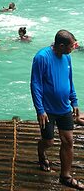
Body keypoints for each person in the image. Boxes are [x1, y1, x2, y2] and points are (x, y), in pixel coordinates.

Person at [30, 30, 84, 189]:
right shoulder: (42, 57)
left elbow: (69, 79)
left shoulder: (67, 57)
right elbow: (35, 85)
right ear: (61, 46)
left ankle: (65, 176)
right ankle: (41, 153)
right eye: (71, 46)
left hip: (64, 108)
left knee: (68, 141)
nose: (73, 48)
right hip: (47, 110)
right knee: (49, 141)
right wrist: (40, 110)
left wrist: (74, 100)